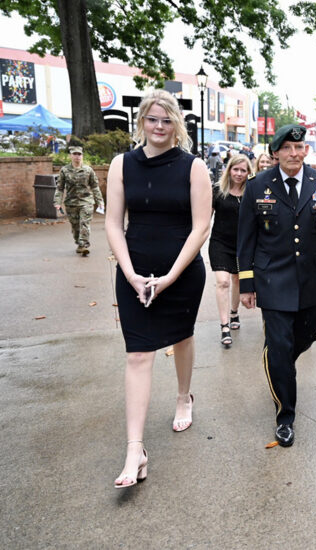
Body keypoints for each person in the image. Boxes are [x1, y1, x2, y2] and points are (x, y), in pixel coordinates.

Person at [105, 89, 211, 488]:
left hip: (180, 273)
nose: (159, 126)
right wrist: (131, 273)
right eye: (152, 119)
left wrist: (170, 276)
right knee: (138, 354)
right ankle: (135, 450)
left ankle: (184, 396)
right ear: (142, 122)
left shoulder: (193, 167)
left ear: (176, 124)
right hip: (134, 271)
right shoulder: (122, 165)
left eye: (167, 120)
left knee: (182, 337)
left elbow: (201, 227)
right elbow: (113, 223)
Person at [237, 124, 316, 447]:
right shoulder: (258, 186)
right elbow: (246, 238)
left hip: (311, 278)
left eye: (299, 148)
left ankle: (279, 364)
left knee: (310, 331)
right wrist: (246, 284)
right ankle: (285, 416)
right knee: (280, 346)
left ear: (306, 150)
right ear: (275, 153)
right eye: (287, 148)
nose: (294, 154)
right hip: (272, 279)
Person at [210, 153, 253, 348]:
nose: (239, 173)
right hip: (220, 242)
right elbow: (205, 217)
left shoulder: (251, 192)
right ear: (229, 170)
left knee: (237, 279)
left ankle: (234, 312)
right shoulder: (218, 191)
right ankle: (224, 325)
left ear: (248, 172)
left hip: (242, 244)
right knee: (223, 281)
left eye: (243, 170)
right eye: (235, 169)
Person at [54, 146, 105, 256]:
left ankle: (83, 245)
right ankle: (79, 242)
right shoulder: (64, 170)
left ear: (82, 156)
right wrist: (57, 202)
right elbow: (60, 188)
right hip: (71, 203)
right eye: (75, 154)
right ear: (70, 156)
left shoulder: (88, 170)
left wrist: (100, 201)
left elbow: (95, 186)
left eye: (79, 154)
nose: (77, 156)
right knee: (75, 227)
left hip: (86, 202)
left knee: (84, 223)